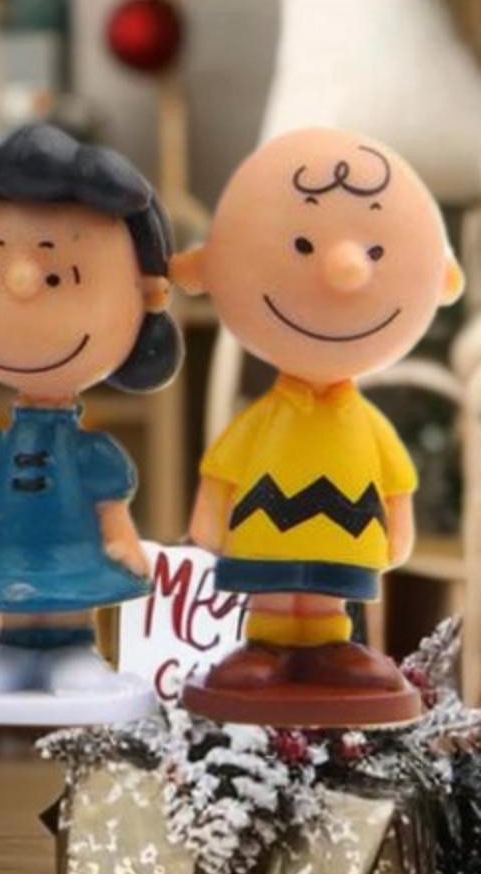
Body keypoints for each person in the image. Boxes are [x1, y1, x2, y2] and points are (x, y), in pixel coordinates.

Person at [173, 127, 465, 726]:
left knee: (330, 595)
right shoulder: (264, 419)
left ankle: (332, 645)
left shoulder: (365, 423)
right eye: (303, 245)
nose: (346, 270)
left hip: (345, 533)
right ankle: (267, 644)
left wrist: (399, 531)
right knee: (276, 591)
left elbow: (396, 482)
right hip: (268, 530)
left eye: (376, 253)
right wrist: (209, 522)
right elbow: (223, 469)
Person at [0, 123, 182, 721]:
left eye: (58, 278)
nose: (19, 286)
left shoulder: (89, 456)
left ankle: (73, 647)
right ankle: (11, 648)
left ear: (146, 295)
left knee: (71, 588)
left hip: (74, 550)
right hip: (2, 544)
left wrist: (121, 542)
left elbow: (110, 504)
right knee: (6, 585)